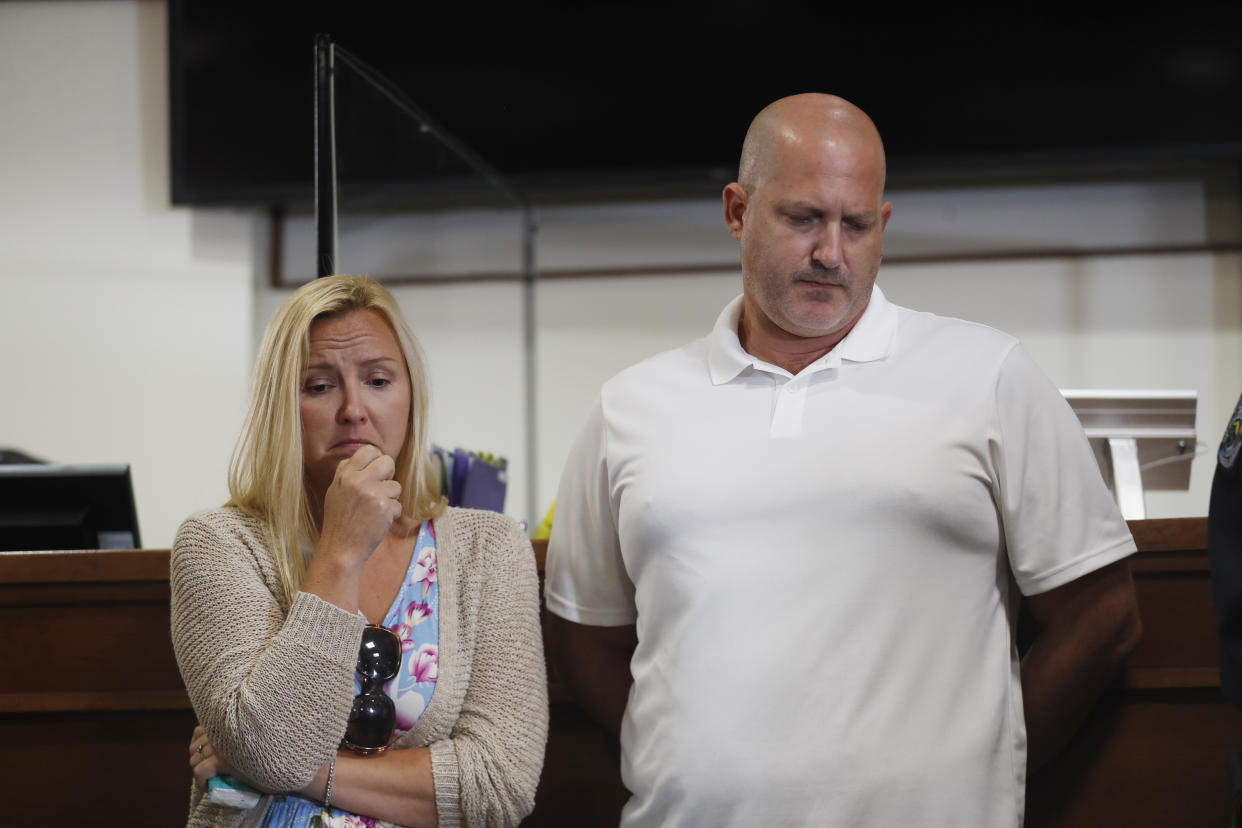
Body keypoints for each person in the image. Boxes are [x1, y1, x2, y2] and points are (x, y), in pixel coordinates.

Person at [544, 93, 1142, 827]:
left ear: (882, 225)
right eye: (803, 218)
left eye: (856, 225)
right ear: (737, 211)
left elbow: (1102, 615)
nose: (831, 252)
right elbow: (586, 639)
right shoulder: (627, 407)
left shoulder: (988, 375)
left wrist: (982, 769)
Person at [171, 275, 548, 828]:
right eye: (318, 386)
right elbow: (273, 742)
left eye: (377, 380)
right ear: (280, 405)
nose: (353, 408)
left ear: (410, 394)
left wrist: (283, 771)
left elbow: (497, 786)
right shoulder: (218, 545)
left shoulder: (489, 549)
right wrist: (341, 551)